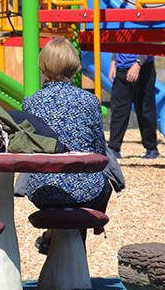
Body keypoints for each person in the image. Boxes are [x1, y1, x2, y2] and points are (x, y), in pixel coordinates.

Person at [23, 38, 111, 253]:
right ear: (74, 66)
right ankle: (78, 245)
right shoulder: (90, 101)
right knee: (100, 183)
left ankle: (55, 237)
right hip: (86, 188)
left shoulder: (32, 102)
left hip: (42, 188)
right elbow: (99, 152)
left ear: (43, 65)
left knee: (64, 189)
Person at [107, 51, 160, 159]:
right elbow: (117, 42)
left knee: (145, 108)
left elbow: (150, 42)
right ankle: (114, 147)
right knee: (119, 109)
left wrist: (138, 63)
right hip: (121, 68)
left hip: (144, 67)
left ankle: (151, 148)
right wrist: (113, 64)